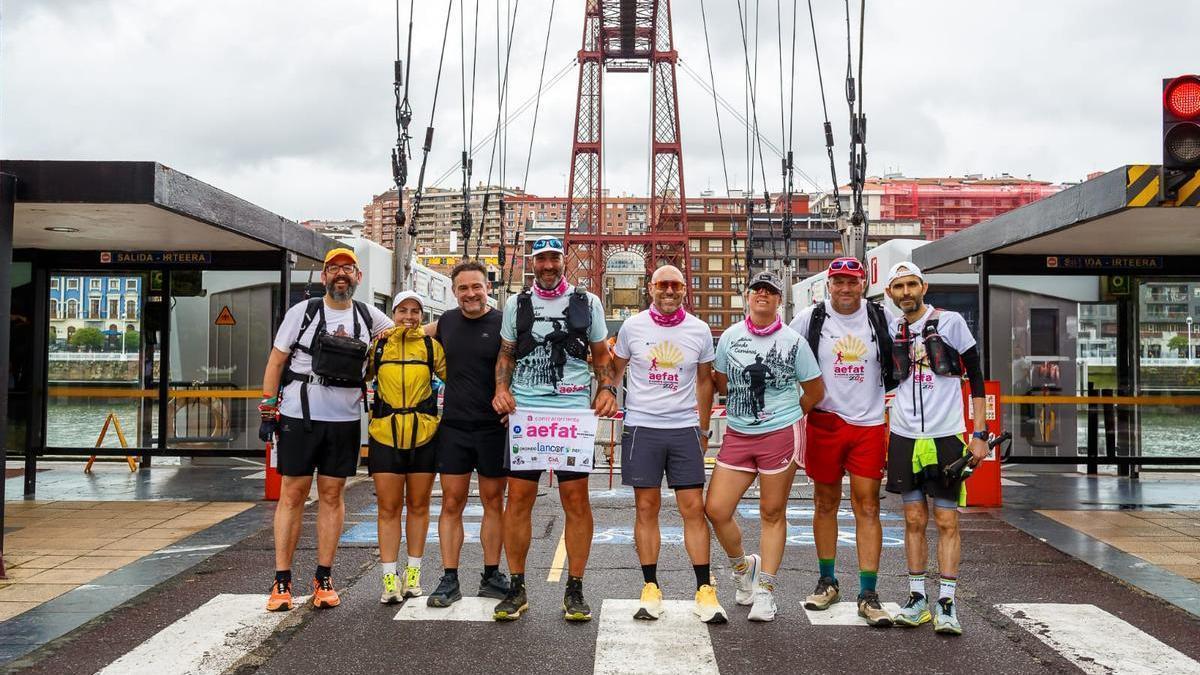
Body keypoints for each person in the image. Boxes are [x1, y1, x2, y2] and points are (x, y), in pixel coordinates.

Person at [491, 235, 617, 622]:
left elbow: (601, 356)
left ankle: (575, 588)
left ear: (564, 261)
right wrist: (500, 388)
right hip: (527, 416)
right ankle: (517, 587)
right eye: (541, 259)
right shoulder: (518, 303)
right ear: (533, 262)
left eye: (554, 259)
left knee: (577, 502)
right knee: (519, 501)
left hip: (571, 415)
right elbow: (507, 353)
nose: (548, 266)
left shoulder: (587, 302)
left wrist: (607, 389)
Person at [260, 247, 393, 611]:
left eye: (347, 269)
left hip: (345, 419)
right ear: (323, 277)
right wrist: (268, 408)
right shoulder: (303, 312)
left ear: (357, 278)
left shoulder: (368, 316)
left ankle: (323, 577)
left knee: (333, 496)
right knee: (293, 493)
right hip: (298, 415)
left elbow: (406, 335)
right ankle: (282, 580)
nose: (340, 274)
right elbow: (276, 360)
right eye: (333, 268)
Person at [610, 264, 726, 624]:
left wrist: (704, 429)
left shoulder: (700, 329)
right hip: (642, 427)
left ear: (685, 290)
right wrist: (605, 394)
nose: (669, 291)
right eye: (662, 285)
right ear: (651, 288)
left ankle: (704, 590)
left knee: (693, 507)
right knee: (646, 507)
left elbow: (706, 381)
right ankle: (650, 587)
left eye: (676, 285)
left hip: (683, 427)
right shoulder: (632, 327)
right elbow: (615, 369)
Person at [705, 271, 823, 622]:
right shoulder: (729, 337)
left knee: (772, 512)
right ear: (747, 296)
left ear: (777, 301)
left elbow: (815, 392)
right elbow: (722, 381)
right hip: (739, 433)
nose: (762, 295)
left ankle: (767, 592)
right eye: (757, 289)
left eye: (770, 291)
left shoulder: (793, 342)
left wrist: (786, 415)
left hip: (780, 434)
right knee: (716, 509)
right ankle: (744, 569)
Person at [788, 257, 898, 626]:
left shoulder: (882, 318)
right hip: (825, 421)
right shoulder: (810, 319)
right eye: (838, 282)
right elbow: (785, 353)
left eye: (852, 282)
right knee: (824, 503)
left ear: (863, 284)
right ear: (828, 285)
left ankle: (868, 590)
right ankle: (827, 580)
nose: (845, 289)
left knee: (867, 506)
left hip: (868, 423)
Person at [883, 262, 988, 635]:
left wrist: (981, 433)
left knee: (946, 519)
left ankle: (947, 603)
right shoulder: (891, 328)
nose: (906, 291)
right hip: (904, 435)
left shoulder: (951, 321)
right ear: (890, 293)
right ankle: (916, 600)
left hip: (947, 433)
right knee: (913, 520)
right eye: (899, 286)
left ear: (923, 287)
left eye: (912, 284)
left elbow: (975, 376)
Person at [424, 260, 511, 607]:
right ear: (454, 291)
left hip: (494, 427)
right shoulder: (446, 322)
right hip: (455, 427)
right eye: (463, 288)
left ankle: (491, 575)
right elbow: (413, 331)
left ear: (487, 287)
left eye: (476, 286)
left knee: (494, 502)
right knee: (451, 503)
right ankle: (449, 578)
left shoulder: (505, 322)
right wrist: (385, 331)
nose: (470, 293)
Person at [367, 290, 447, 604]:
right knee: (388, 508)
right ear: (394, 313)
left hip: (424, 436)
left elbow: (456, 377)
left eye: (415, 311)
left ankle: (412, 575)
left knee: (418, 506)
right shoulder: (379, 346)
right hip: (384, 435)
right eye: (403, 311)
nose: (409, 317)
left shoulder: (431, 347)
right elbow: (357, 373)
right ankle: (389, 578)